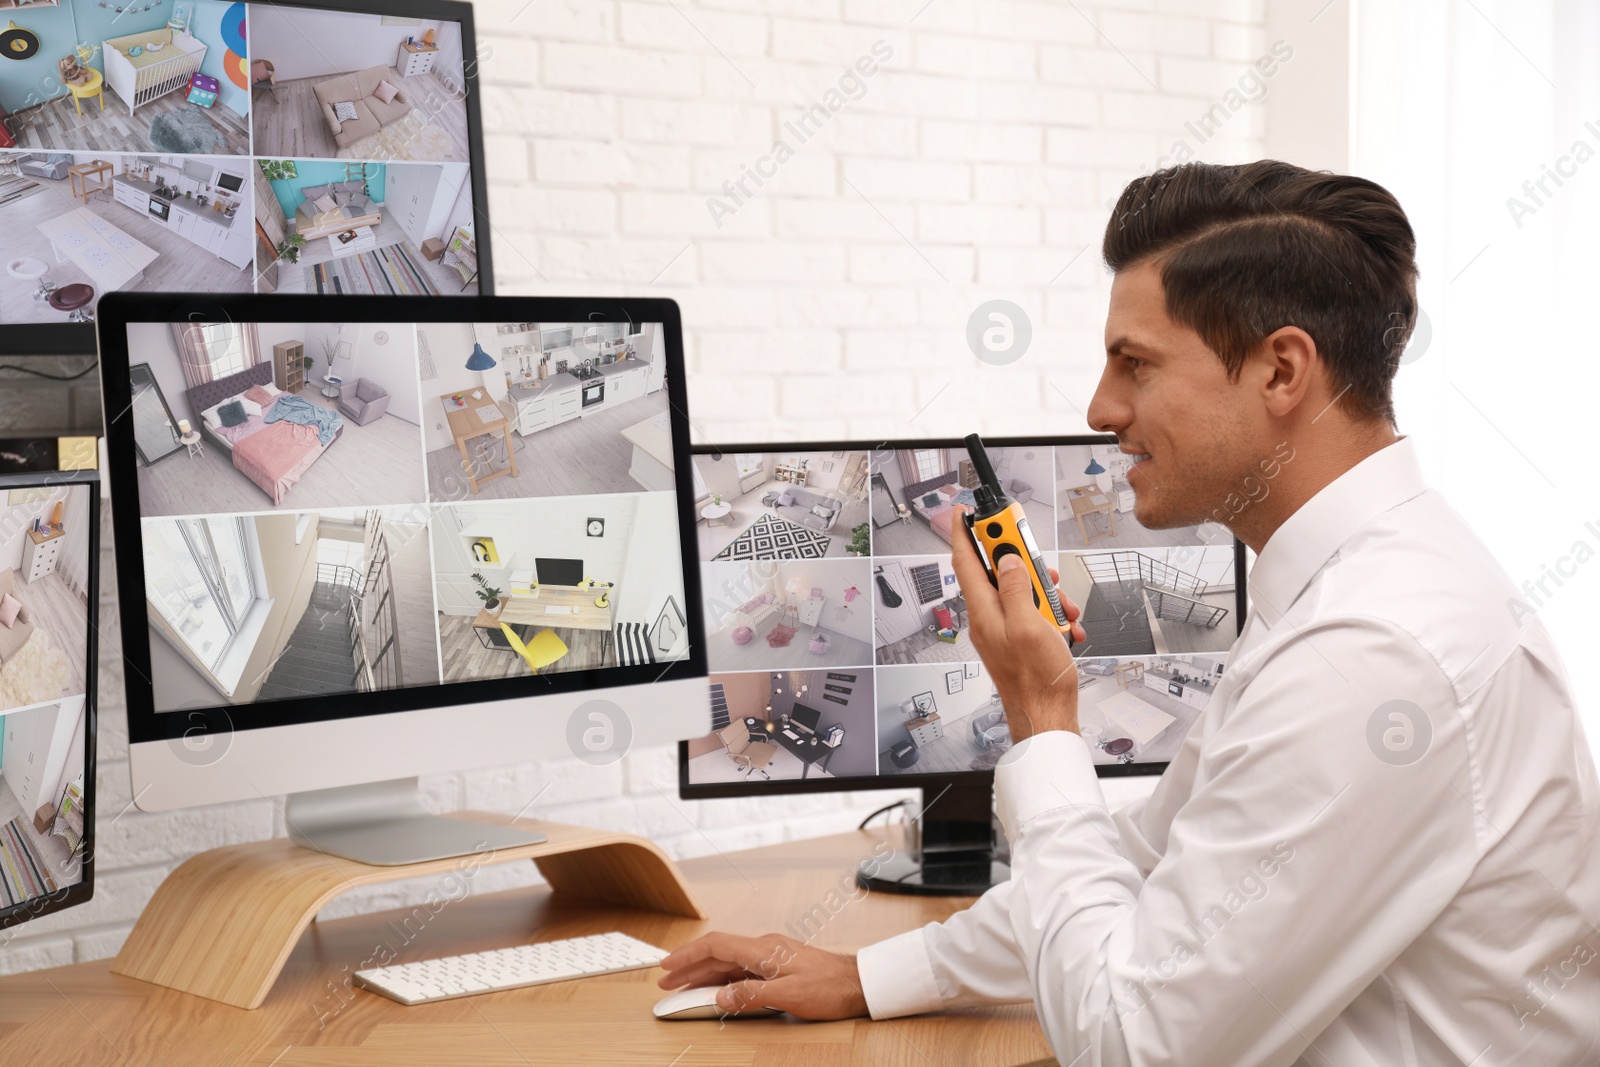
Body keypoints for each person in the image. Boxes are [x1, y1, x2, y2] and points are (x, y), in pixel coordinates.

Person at [658, 160, 1600, 1065]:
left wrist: (1042, 718)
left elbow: (1128, 1045)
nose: (1100, 406)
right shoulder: (1348, 587)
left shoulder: (1372, 655)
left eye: (1134, 364)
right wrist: (872, 973)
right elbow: (1152, 859)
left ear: (1282, 372)